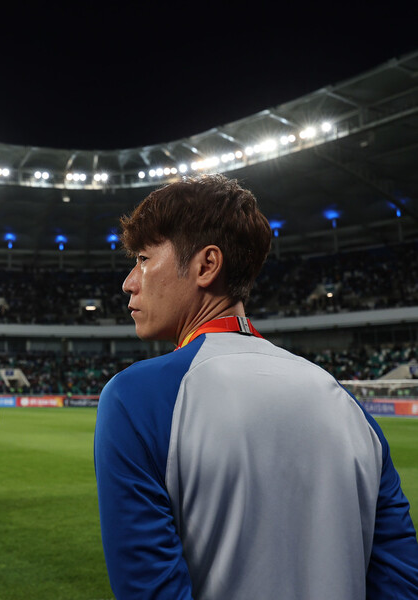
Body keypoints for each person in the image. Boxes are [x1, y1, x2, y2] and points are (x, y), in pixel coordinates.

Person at [94, 173, 418, 599]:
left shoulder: (135, 398)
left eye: (142, 258)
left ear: (206, 265)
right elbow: (400, 584)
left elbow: (150, 591)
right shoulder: (347, 405)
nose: (129, 281)